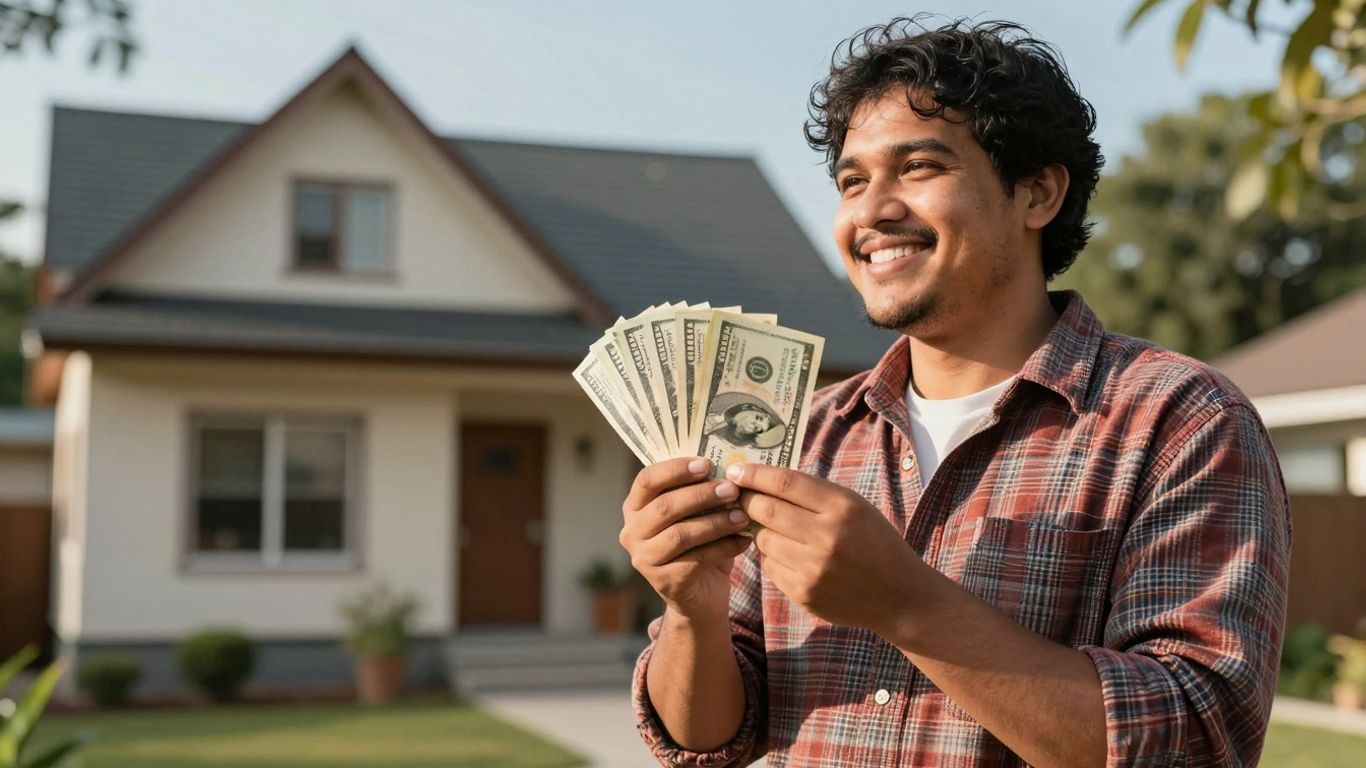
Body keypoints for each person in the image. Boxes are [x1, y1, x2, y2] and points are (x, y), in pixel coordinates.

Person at [618, 16, 1291, 768]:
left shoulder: (1180, 422)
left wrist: (906, 604)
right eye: (852, 181)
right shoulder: (800, 435)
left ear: (1037, 193)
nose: (871, 211)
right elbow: (707, 739)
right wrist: (693, 614)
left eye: (920, 167)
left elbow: (1197, 740)